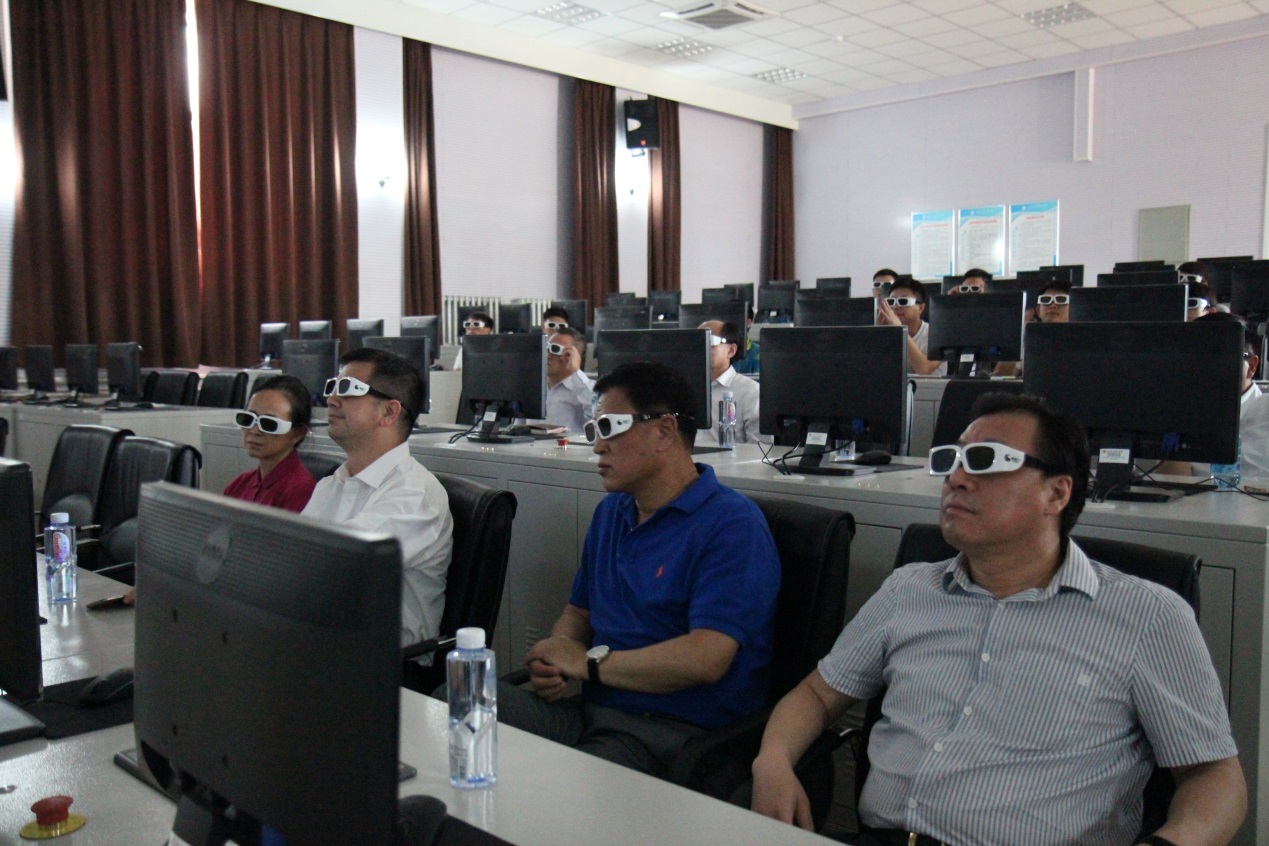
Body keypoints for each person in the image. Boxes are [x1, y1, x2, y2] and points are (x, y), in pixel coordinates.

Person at [751, 392, 1245, 846]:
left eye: (986, 461)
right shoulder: (909, 589)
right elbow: (817, 696)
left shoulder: (1148, 616)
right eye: (952, 461)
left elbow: (1214, 777)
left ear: (1057, 494)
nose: (957, 478)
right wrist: (772, 762)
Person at [497, 361, 781, 776]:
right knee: (456, 700)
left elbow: (705, 658)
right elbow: (579, 612)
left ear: (664, 431)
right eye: (593, 431)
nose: (598, 447)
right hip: (593, 712)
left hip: (670, 733)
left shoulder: (732, 525)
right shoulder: (612, 511)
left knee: (558, 784)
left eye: (609, 428)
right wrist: (558, 655)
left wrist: (587, 665)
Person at [302, 348, 454, 648]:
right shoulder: (332, 484)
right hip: (324, 639)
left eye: (347, 389)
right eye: (333, 386)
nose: (331, 399)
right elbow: (295, 559)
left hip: (381, 660)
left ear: (389, 412)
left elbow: (334, 571)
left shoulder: (415, 494)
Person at [223, 374, 317, 512]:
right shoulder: (238, 485)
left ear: (298, 433)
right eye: (248, 419)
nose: (254, 430)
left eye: (269, 424)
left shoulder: (301, 491)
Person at [698, 319, 763, 445]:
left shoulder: (751, 392)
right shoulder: (682, 389)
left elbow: (760, 449)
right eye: (696, 342)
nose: (699, 348)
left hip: (731, 458)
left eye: (709, 341)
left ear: (731, 350)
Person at [875, 277, 946, 376]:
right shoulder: (890, 333)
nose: (896, 307)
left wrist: (900, 331)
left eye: (903, 301)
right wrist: (877, 334)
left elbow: (923, 369)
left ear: (920, 308)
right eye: (891, 302)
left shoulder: (939, 334)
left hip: (928, 386)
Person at [541, 326, 593, 433]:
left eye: (555, 349)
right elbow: (517, 430)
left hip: (569, 444)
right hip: (531, 444)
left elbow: (597, 418)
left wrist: (576, 371)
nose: (548, 355)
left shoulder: (586, 389)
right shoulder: (532, 386)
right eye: (546, 347)